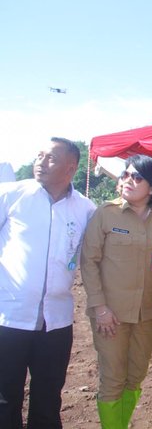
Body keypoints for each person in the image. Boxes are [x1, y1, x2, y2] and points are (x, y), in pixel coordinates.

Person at [0, 137, 96, 429]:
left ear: (71, 167)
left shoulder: (85, 210)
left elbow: (95, 258)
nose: (40, 162)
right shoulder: (11, 195)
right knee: (4, 399)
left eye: (50, 157)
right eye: (39, 155)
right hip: (9, 318)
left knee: (48, 398)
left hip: (56, 322)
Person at [80, 155, 152, 428]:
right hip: (110, 314)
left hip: (147, 311)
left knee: (136, 375)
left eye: (136, 177)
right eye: (125, 175)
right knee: (113, 378)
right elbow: (89, 261)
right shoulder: (106, 213)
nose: (127, 180)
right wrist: (100, 308)